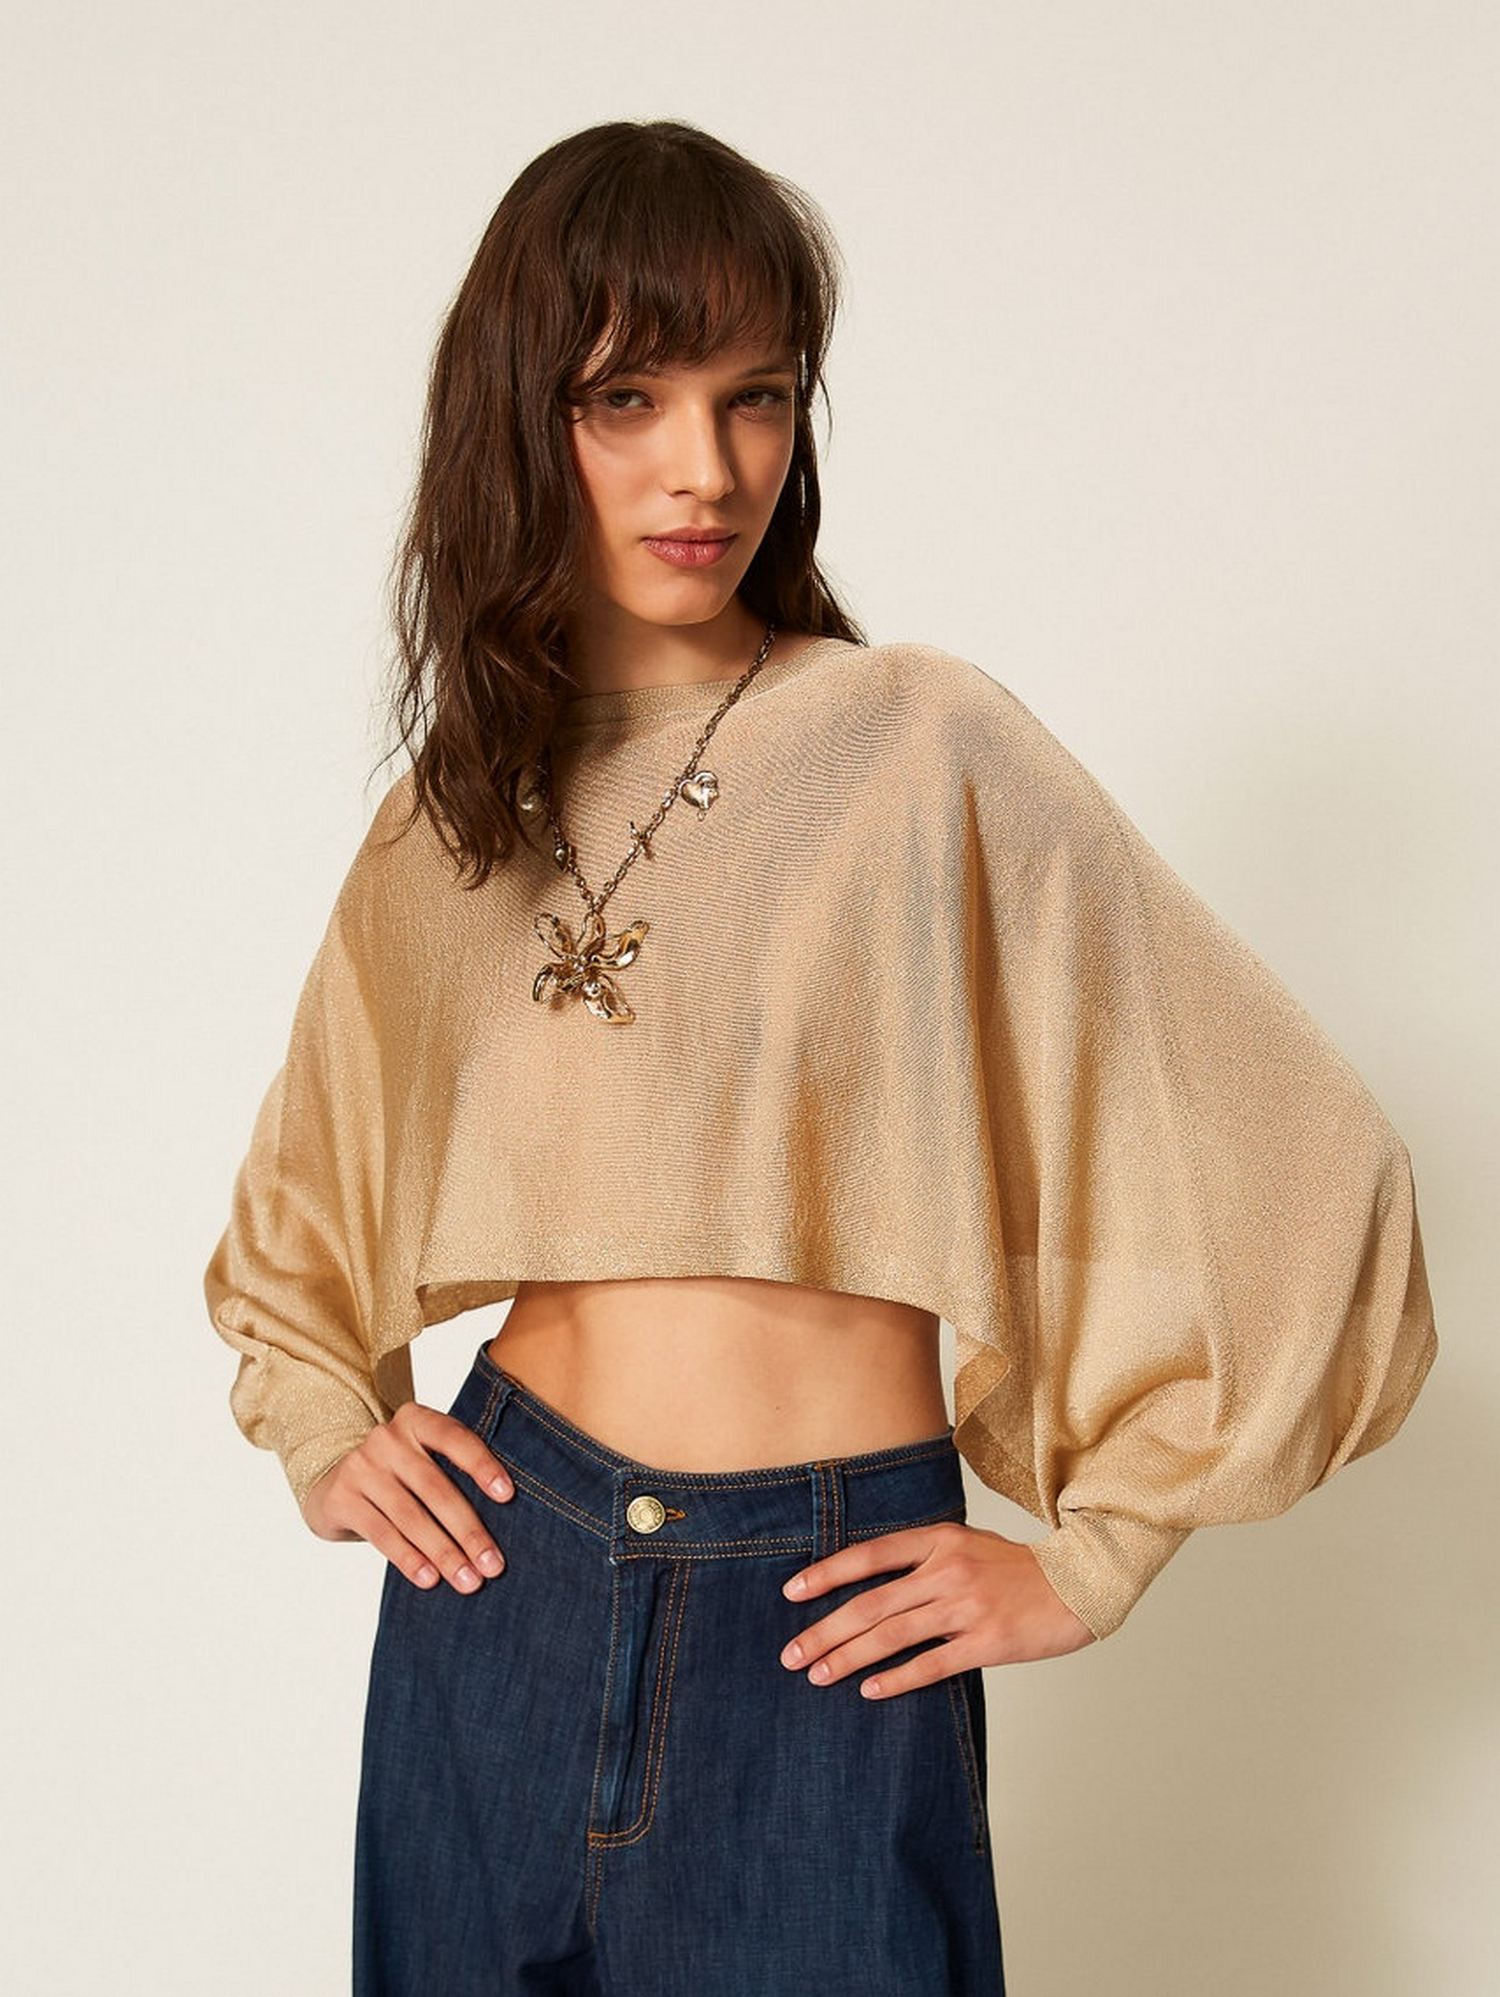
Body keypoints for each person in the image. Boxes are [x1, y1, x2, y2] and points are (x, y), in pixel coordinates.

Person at [202, 120, 1438, 1997]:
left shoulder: (919, 747)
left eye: (756, 396)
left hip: (823, 1622)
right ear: (520, 418)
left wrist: (1097, 1556)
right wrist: (322, 1429)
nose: (707, 468)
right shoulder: (449, 828)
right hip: (503, 1597)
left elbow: (1318, 1170)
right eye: (629, 397)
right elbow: (296, 1232)